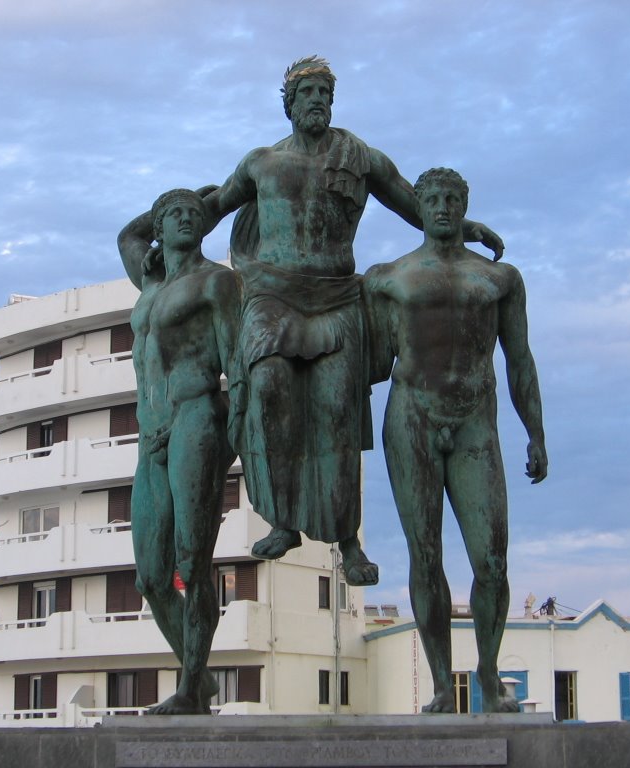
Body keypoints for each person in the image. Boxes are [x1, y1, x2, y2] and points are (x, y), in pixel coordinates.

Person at [199, 56, 504, 586]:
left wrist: (466, 227)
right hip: (273, 295)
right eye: (307, 92)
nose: (317, 100)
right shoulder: (262, 162)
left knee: (338, 412)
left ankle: (347, 540)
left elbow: (412, 200)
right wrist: (168, 231)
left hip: (337, 296)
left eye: (324, 92)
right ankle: (282, 520)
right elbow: (217, 204)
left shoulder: (357, 156)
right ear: (289, 103)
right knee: (268, 390)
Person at [363, 168, 547, 713]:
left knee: (491, 561)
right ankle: (443, 684)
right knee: (425, 557)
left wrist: (536, 432)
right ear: (418, 206)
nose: (442, 207)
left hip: (474, 424)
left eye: (452, 199)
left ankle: (488, 675)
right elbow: (351, 357)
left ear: (465, 205)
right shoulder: (386, 277)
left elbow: (520, 359)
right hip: (411, 418)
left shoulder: (499, 279)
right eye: (433, 199)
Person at [116, 188, 241, 714]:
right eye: (176, 215)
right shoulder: (148, 281)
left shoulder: (217, 281)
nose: (188, 219)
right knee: (150, 576)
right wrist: (188, 196)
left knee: (193, 562)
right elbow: (127, 235)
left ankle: (190, 688)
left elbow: (237, 363)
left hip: (196, 418)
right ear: (161, 228)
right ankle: (201, 673)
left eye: (196, 214)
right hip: (150, 433)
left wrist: (232, 433)